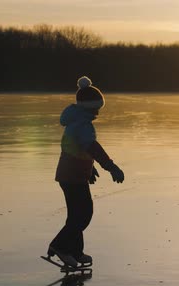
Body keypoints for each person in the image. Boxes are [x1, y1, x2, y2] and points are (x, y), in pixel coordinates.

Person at [48, 76, 124, 267]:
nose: (98, 112)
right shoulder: (82, 125)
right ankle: (60, 246)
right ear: (87, 106)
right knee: (82, 215)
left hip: (72, 174)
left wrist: (90, 169)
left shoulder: (77, 120)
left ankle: (75, 251)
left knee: (77, 214)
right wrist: (111, 166)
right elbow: (92, 147)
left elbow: (76, 148)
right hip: (72, 176)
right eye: (96, 108)